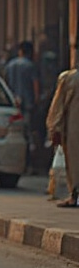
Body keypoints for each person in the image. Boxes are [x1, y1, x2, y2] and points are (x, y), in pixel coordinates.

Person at [46, 40, 78, 207]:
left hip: (73, 130)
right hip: (73, 128)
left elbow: (57, 108)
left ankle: (74, 195)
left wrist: (54, 127)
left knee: (74, 161)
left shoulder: (68, 78)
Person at [3, 40, 41, 170]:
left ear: (20, 51)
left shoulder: (10, 65)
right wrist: (36, 101)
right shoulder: (31, 66)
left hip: (13, 105)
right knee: (28, 134)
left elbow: (5, 84)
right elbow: (35, 85)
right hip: (27, 105)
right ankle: (29, 164)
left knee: (15, 134)